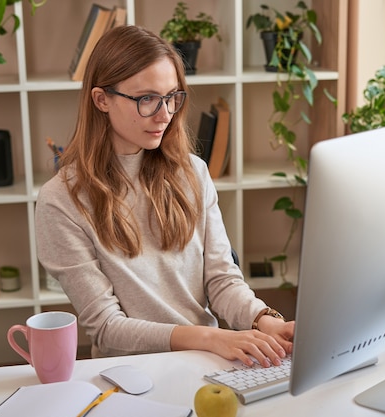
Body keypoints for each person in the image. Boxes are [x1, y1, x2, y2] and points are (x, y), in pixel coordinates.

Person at [35, 25, 294, 368]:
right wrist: (211, 337)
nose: (165, 114)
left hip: (207, 359)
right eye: (147, 99)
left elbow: (221, 279)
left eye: (172, 96)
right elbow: (108, 327)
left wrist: (265, 320)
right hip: (129, 372)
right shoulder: (61, 201)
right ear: (101, 100)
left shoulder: (193, 173)